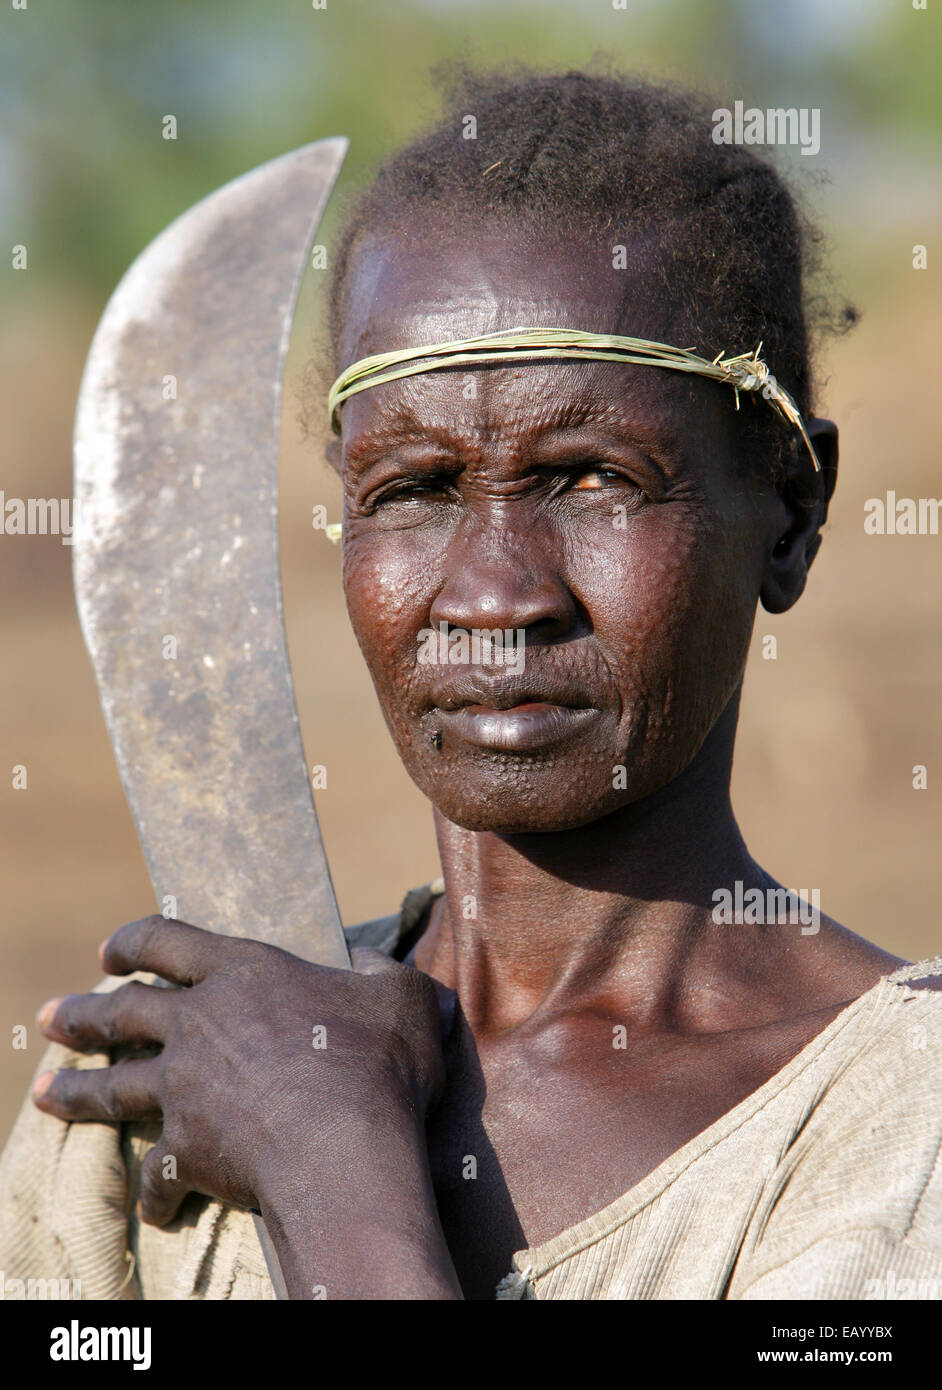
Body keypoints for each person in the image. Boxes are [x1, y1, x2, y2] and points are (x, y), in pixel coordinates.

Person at [2, 67, 941, 1302]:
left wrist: (329, 1167)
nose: (496, 597)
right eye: (414, 490)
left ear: (790, 510)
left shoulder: (893, 1136)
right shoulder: (181, 1067)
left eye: (594, 478)